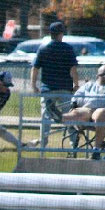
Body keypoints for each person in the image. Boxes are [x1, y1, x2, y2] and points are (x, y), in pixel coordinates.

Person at [62, 64, 105, 159]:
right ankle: (60, 117)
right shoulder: (89, 85)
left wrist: (103, 100)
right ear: (97, 76)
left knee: (101, 113)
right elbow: (77, 97)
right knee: (76, 113)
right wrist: (78, 102)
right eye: (103, 74)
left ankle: (96, 150)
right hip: (88, 109)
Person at [30, 21, 79, 149]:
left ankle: (43, 145)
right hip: (65, 88)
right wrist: (76, 84)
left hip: (48, 89)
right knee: (69, 116)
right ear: (61, 33)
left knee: (46, 117)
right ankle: (74, 144)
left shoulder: (43, 48)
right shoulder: (67, 48)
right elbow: (73, 69)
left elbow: (35, 68)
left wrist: (33, 85)